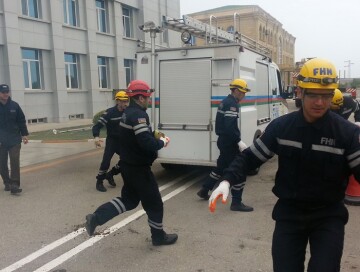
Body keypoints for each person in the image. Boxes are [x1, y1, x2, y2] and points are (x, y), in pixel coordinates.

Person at [208, 58, 360, 272]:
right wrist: (227, 179)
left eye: (326, 96)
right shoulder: (282, 127)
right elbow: (250, 157)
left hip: (328, 216)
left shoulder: (347, 133)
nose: (320, 102)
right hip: (290, 213)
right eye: (313, 95)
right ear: (300, 92)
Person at [85, 80, 178, 246]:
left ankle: (96, 218)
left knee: (128, 200)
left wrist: (152, 133)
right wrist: (162, 142)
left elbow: (136, 136)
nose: (150, 100)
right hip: (139, 169)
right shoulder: (139, 115)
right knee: (155, 203)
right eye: (148, 97)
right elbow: (146, 143)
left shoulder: (128, 113)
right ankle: (158, 237)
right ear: (141, 98)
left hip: (128, 166)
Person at [196, 79, 253, 212]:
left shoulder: (225, 101)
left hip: (223, 141)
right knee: (239, 170)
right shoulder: (232, 104)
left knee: (221, 166)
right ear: (237, 91)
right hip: (229, 142)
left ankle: (204, 189)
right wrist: (238, 141)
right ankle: (236, 202)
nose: (244, 95)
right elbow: (229, 126)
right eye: (243, 92)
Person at [92, 91, 129, 192]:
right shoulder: (110, 112)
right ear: (117, 101)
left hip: (123, 141)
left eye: (127, 101)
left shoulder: (128, 112)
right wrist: (96, 137)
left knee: (127, 160)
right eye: (123, 101)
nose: (126, 103)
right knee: (106, 161)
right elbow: (97, 126)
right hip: (112, 141)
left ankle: (111, 174)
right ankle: (99, 181)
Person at [0, 84, 29, 194]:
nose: (6, 93)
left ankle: (15, 185)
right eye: (3, 92)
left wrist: (24, 134)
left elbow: (21, 120)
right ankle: (7, 182)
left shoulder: (14, 106)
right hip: (1, 140)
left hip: (14, 139)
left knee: (14, 161)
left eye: (7, 91)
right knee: (2, 163)